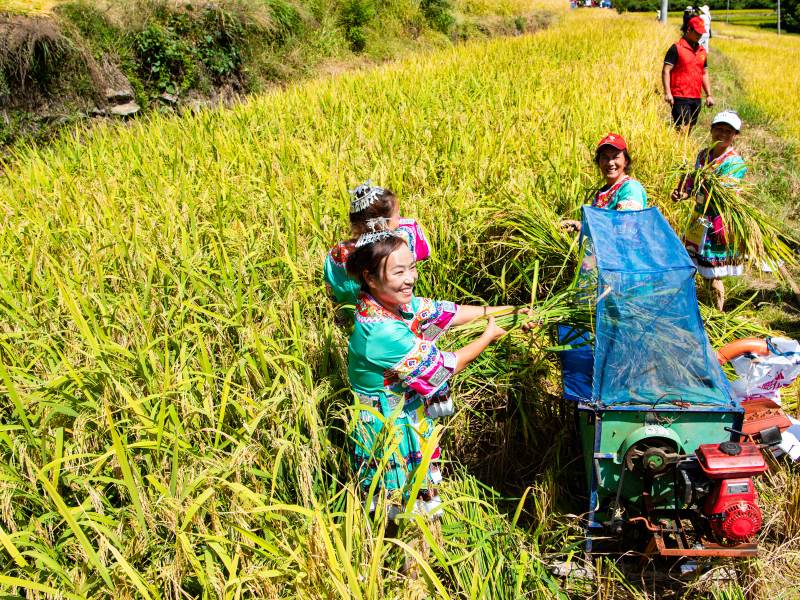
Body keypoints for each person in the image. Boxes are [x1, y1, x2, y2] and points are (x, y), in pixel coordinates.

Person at [345, 225, 533, 516]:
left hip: (407, 416)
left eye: (411, 268)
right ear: (370, 277)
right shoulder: (380, 332)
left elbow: (449, 313)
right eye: (398, 273)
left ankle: (422, 551)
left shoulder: (393, 305)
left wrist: (513, 312)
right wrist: (487, 336)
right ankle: (403, 555)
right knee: (399, 508)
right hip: (388, 429)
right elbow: (443, 368)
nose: (410, 279)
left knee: (418, 503)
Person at [671, 110, 747, 311]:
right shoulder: (703, 155)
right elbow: (693, 184)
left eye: (728, 131)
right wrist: (683, 193)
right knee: (694, 266)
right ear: (711, 130)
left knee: (714, 274)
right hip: (700, 219)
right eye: (718, 129)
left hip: (718, 223)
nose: (722, 134)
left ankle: (718, 313)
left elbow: (724, 193)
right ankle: (697, 305)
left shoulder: (734, 163)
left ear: (735, 136)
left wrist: (703, 181)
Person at [324, 181, 430, 317]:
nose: (400, 219)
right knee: (437, 323)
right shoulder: (398, 245)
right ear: (382, 222)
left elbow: (334, 289)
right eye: (397, 215)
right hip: (394, 315)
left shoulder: (337, 252)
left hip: (353, 314)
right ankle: (433, 336)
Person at [561, 133, 647, 232]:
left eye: (615, 157)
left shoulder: (630, 187)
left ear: (626, 161)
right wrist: (578, 225)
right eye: (605, 157)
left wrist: (588, 226)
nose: (610, 162)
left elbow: (625, 225)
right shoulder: (601, 193)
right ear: (599, 162)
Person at [663, 16, 715, 131]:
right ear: (689, 29)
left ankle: (682, 148)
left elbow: (704, 73)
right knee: (682, 127)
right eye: (697, 32)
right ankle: (679, 148)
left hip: (696, 96)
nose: (700, 35)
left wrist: (708, 95)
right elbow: (666, 70)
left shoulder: (702, 51)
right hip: (680, 95)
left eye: (701, 33)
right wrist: (667, 93)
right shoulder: (676, 48)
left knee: (690, 127)